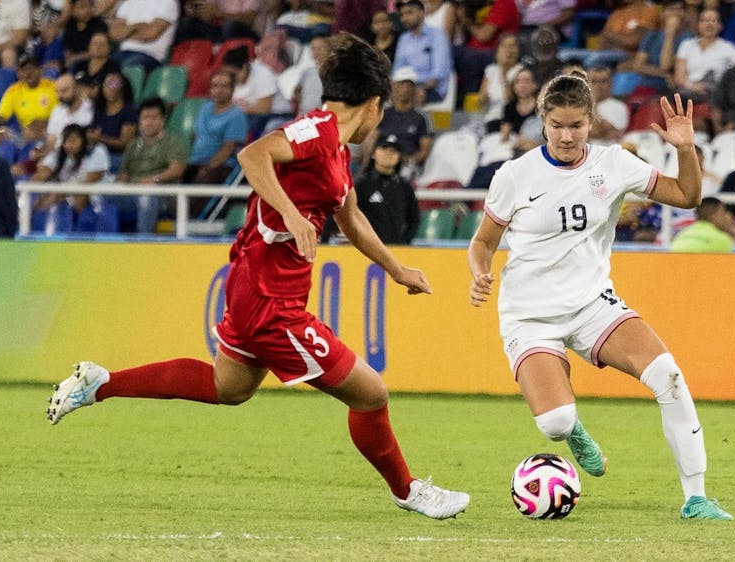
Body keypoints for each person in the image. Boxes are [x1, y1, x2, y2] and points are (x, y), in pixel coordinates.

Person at [46, 32, 470, 521]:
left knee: (231, 386)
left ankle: (102, 383)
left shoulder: (337, 153)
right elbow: (252, 156)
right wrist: (289, 212)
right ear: (373, 104)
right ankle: (409, 489)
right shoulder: (317, 131)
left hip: (256, 286)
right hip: (272, 301)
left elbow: (350, 217)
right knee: (370, 393)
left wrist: (397, 269)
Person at [466, 71, 734, 521]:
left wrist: (685, 148)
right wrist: (479, 272)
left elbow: (688, 196)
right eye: (557, 125)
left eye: (576, 125)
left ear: (591, 121)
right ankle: (574, 430)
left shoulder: (614, 164)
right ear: (542, 122)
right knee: (554, 424)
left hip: (593, 305)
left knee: (668, 376)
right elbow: (482, 242)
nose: (566, 136)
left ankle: (697, 499)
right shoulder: (514, 175)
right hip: (530, 317)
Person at [325, 134, 421, 245]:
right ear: (374, 153)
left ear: (399, 157)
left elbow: (414, 220)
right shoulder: (360, 184)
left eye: (394, 151)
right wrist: (325, 242)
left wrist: (404, 242)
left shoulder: (405, 187)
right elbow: (337, 213)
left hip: (394, 251)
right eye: (384, 149)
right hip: (363, 251)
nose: (389, 154)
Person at [113, 96, 189, 233]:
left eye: (153, 118)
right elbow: (124, 174)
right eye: (145, 118)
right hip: (131, 192)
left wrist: (154, 179)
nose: (149, 122)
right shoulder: (133, 144)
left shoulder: (172, 142)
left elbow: (177, 170)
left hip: (161, 194)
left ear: (162, 120)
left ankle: (142, 243)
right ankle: (106, 243)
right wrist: (119, 184)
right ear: (140, 121)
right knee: (100, 195)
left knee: (146, 197)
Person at [183, 70, 248, 186]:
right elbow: (195, 136)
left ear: (232, 90)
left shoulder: (237, 115)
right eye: (215, 86)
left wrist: (207, 168)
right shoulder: (205, 107)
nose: (219, 90)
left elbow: (228, 149)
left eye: (224, 86)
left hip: (220, 166)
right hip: (195, 162)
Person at [392, 0, 453, 104]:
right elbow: (397, 70)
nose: (404, 18)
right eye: (402, 15)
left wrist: (415, 87)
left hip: (432, 89)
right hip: (407, 87)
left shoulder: (437, 35)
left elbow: (438, 74)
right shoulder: (404, 38)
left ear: (421, 13)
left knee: (412, 96)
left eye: (409, 13)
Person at [107, 0, 178, 71]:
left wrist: (125, 31)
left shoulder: (168, 2)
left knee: (125, 69)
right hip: (122, 52)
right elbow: (114, 34)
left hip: (150, 56)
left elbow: (150, 35)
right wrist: (136, 27)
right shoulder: (128, 2)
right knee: (101, 66)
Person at [669, 196, 735, 252]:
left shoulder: (681, 235)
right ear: (714, 215)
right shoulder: (721, 240)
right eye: (724, 213)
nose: (728, 216)